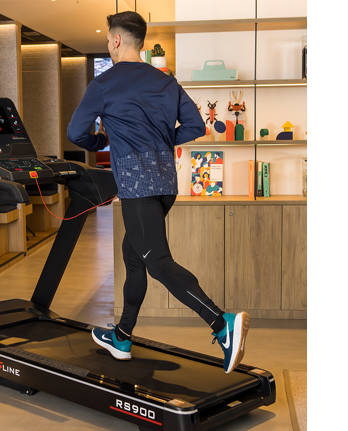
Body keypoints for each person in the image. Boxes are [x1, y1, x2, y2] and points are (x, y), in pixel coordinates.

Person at [67, 11, 249, 374]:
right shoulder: (167, 81)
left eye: (108, 40)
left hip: (137, 188)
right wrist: (163, 141)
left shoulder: (103, 83)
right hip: (166, 185)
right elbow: (195, 126)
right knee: (133, 255)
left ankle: (221, 323)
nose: (108, 45)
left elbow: (76, 133)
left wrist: (101, 141)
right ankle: (122, 336)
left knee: (157, 261)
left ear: (116, 40)